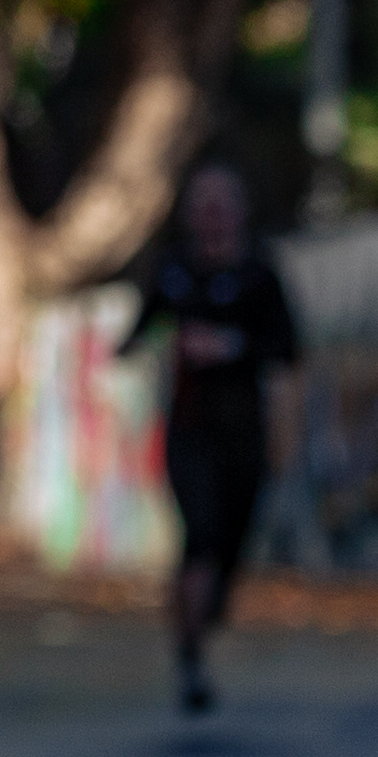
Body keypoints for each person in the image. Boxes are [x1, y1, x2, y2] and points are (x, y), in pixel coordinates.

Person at [126, 161, 301, 717]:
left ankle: (208, 609)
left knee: (229, 545)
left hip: (244, 434)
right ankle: (190, 656)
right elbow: (137, 333)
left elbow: (287, 354)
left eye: (222, 205)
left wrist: (229, 347)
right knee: (199, 537)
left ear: (241, 214)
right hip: (189, 430)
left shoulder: (259, 276)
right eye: (203, 205)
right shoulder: (173, 271)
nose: (213, 217)